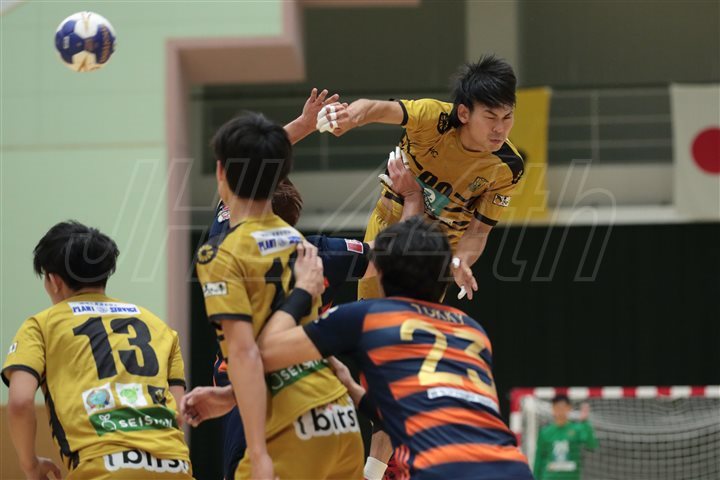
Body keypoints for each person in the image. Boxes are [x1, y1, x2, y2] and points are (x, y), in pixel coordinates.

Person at [254, 217, 533, 479]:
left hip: (442, 469)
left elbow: (267, 352)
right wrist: (353, 389)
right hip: (512, 467)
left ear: (380, 273)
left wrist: (304, 289)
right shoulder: (471, 328)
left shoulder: (366, 316)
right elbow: (433, 411)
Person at [194, 112, 364, 479]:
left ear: (221, 173)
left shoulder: (221, 250)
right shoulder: (304, 245)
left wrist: (258, 454)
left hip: (283, 422)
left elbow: (245, 353)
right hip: (337, 417)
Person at [317, 54, 524, 301]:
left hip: (435, 251)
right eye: (490, 117)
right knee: (373, 315)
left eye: (507, 117)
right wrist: (350, 116)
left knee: (416, 321)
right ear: (464, 113)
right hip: (390, 228)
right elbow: (376, 108)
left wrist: (460, 261)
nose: (500, 128)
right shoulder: (433, 118)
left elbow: (478, 230)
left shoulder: (509, 167)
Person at [2, 221, 192, 479]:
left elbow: (20, 402)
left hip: (102, 468)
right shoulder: (159, 327)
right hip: (176, 467)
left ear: (54, 280)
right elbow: (178, 414)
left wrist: (30, 465)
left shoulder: (41, 325)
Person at [534, 395, 598, 480]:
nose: (560, 411)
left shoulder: (577, 429)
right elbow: (539, 458)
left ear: (569, 408)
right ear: (553, 409)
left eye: (563, 407)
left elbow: (591, 445)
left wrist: (585, 422)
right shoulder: (545, 432)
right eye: (557, 407)